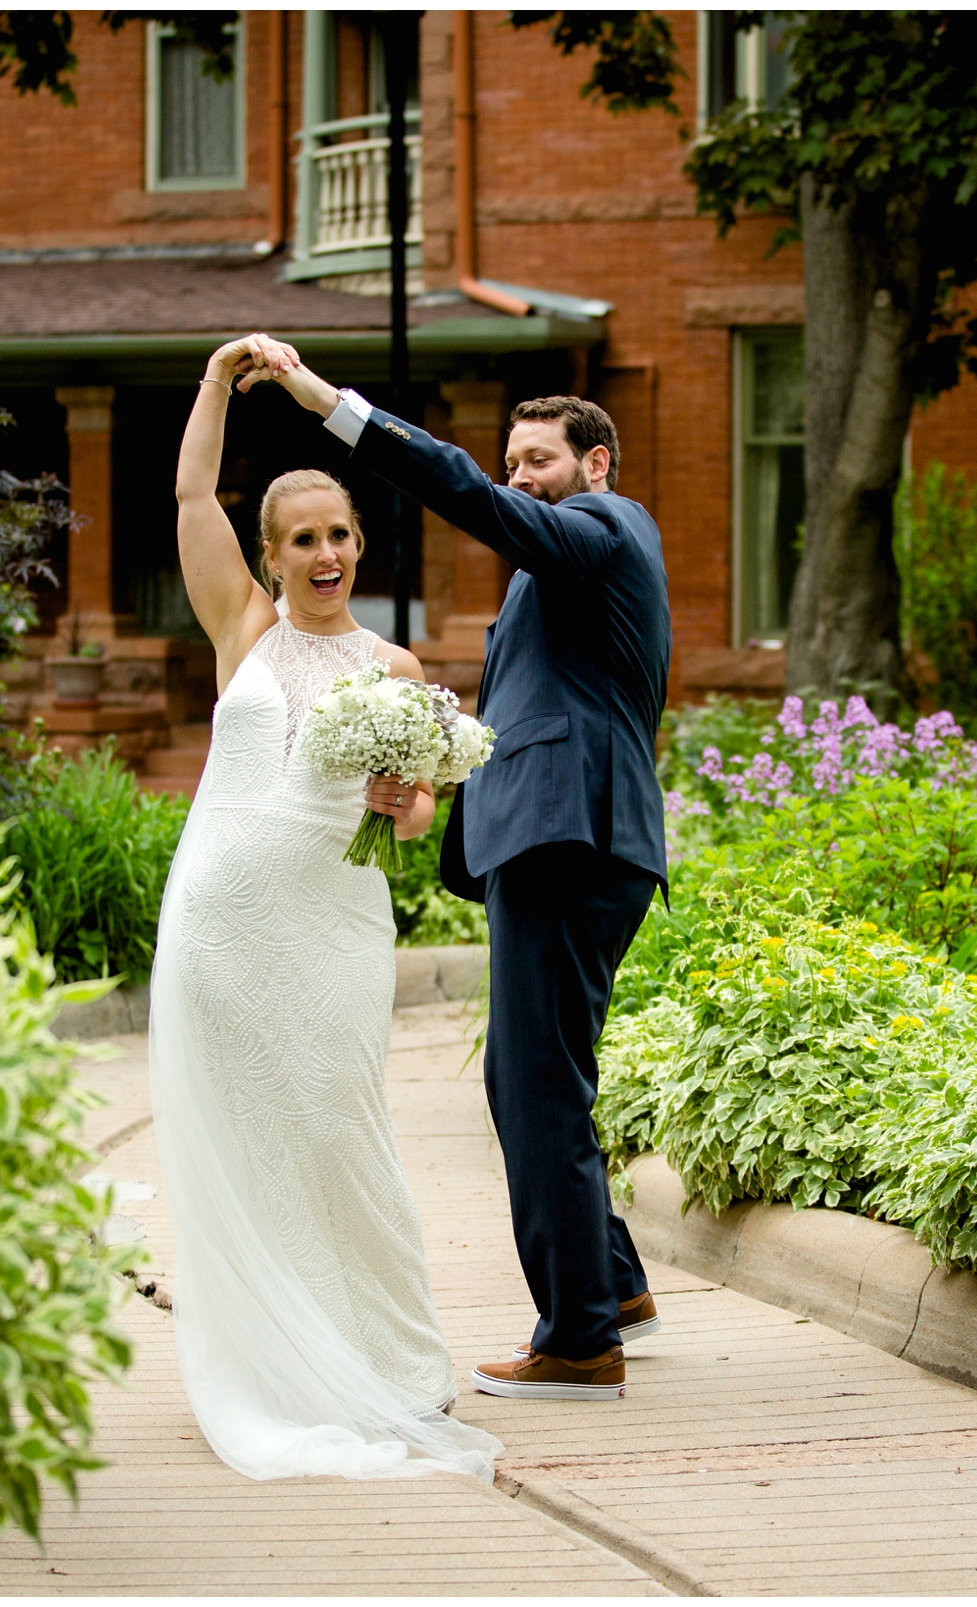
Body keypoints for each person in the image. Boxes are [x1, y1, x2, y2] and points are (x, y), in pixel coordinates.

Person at [245, 335, 672, 1404]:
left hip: (570, 838)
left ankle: (577, 1338)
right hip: (568, 835)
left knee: (532, 1083)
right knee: (535, 1077)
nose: (521, 476)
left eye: (540, 458)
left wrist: (329, 405)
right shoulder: (563, 570)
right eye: (514, 459)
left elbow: (467, 496)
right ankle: (609, 1283)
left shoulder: (603, 528)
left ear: (597, 464)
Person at [144, 333, 501, 1480]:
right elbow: (191, 486)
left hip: (335, 925)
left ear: (359, 544)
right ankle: (266, 1359)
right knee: (251, 1138)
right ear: (273, 553)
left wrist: (404, 799)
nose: (326, 552)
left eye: (340, 533)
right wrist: (218, 381)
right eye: (303, 538)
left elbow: (406, 822)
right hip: (222, 921)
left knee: (340, 1128)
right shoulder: (241, 630)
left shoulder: (397, 673)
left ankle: (393, 1364)